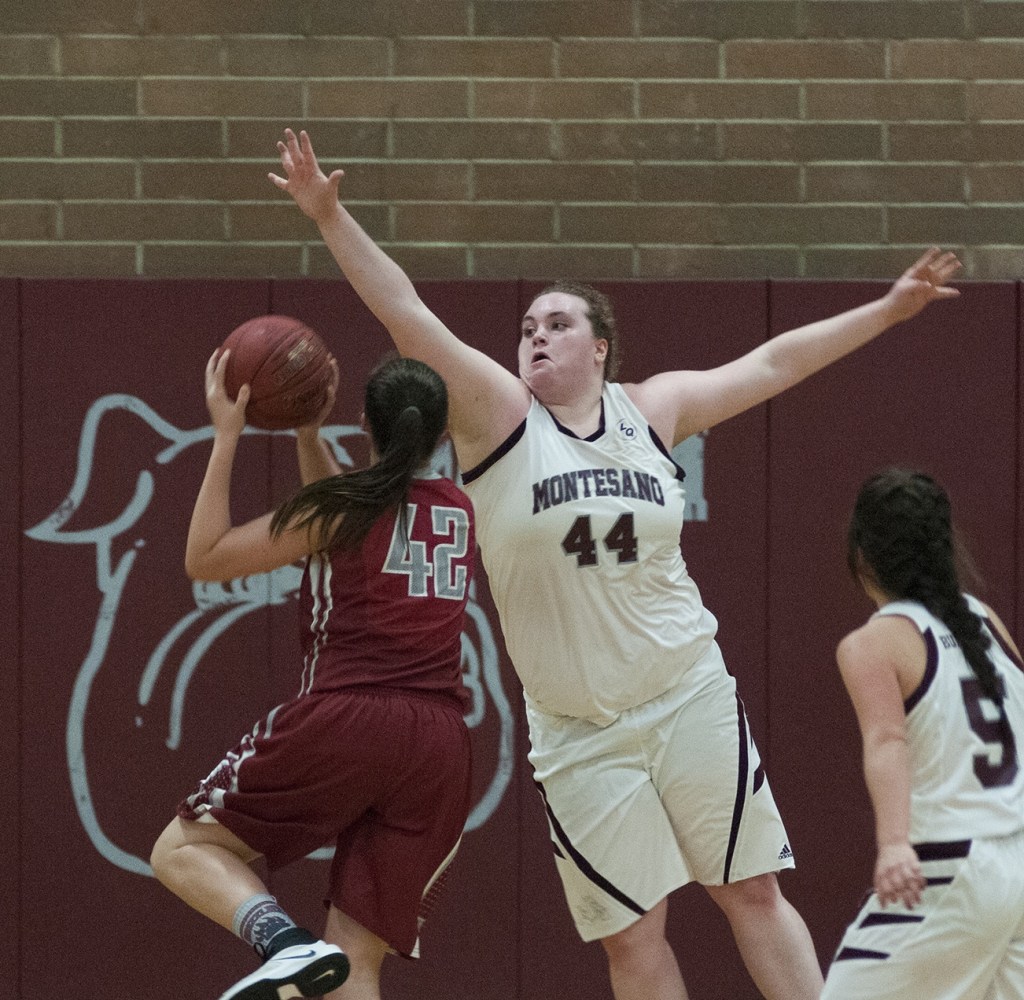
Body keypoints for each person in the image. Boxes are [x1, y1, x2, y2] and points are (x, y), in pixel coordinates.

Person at [269, 126, 962, 1000]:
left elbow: (775, 361)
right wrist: (331, 217)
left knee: (749, 889)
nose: (535, 337)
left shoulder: (653, 409)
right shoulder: (498, 415)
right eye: (526, 327)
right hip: (581, 732)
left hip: (688, 693)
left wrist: (887, 309)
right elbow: (405, 311)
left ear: (600, 347)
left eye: (557, 324)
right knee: (633, 945)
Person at [150, 350, 476, 1000]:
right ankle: (305, 960)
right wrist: (306, 435)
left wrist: (226, 435)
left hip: (352, 716)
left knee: (181, 851)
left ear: (364, 421)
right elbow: (355, 513)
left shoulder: (337, 509)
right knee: (354, 965)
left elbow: (206, 557)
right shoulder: (460, 508)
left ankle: (283, 945)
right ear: (442, 433)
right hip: (440, 746)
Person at [822, 468, 1024, 1000]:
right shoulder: (986, 620)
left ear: (860, 554)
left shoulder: (874, 642)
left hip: (953, 868)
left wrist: (892, 845)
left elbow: (888, 741)